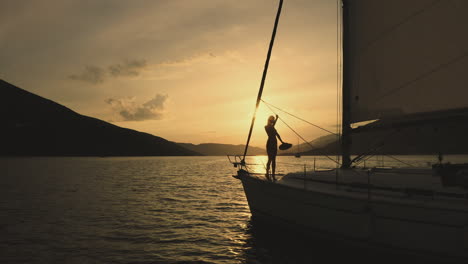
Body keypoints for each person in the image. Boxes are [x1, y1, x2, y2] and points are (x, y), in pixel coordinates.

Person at [265, 114, 284, 181]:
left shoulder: (273, 127)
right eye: (272, 120)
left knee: (274, 160)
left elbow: (277, 135)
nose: (273, 121)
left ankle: (273, 175)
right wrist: (276, 119)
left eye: (273, 120)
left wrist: (282, 142)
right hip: (270, 143)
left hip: (274, 143)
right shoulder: (266, 127)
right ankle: (267, 173)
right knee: (270, 159)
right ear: (270, 120)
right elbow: (272, 126)